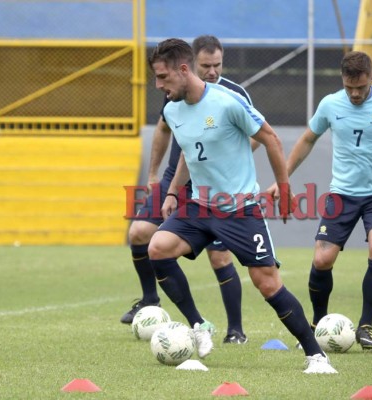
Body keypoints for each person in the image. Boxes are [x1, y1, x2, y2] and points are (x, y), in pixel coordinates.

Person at [147, 38, 335, 374]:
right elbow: (191, 154)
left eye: (163, 77)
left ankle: (316, 355)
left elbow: (271, 139)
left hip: (240, 210)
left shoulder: (227, 102)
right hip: (200, 206)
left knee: (267, 283)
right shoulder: (172, 109)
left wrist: (286, 188)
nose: (159, 85)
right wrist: (174, 192)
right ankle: (199, 324)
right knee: (157, 248)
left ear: (184, 70)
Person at [278, 51, 372, 351]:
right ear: (342, 81)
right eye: (349, 88)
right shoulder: (330, 104)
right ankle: (318, 322)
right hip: (341, 194)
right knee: (322, 260)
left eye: (360, 87)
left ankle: (366, 325)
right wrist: (284, 177)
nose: (355, 94)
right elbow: (308, 138)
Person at [121, 36, 254, 345]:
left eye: (217, 65)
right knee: (139, 233)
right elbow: (164, 130)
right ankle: (150, 299)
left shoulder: (233, 94)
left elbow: (259, 134)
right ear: (191, 64)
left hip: (213, 186)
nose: (212, 71)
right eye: (206, 65)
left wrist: (232, 160)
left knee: (219, 257)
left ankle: (236, 329)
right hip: (175, 178)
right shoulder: (176, 91)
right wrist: (153, 175)